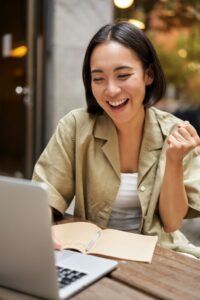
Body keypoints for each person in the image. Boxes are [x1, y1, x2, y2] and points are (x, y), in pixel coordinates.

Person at [32, 21, 200, 258]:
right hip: (93, 253)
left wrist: (174, 160)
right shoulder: (75, 127)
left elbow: (172, 224)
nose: (111, 90)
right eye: (98, 78)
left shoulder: (174, 132)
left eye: (123, 75)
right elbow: (45, 194)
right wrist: (39, 226)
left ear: (148, 75)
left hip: (159, 254)